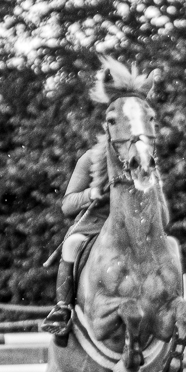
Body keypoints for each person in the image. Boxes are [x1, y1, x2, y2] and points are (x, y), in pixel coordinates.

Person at [40, 143, 109, 336]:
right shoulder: (91, 159)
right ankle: (63, 309)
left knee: (169, 245)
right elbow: (67, 206)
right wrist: (90, 193)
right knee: (72, 244)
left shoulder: (144, 161)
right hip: (95, 227)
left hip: (132, 227)